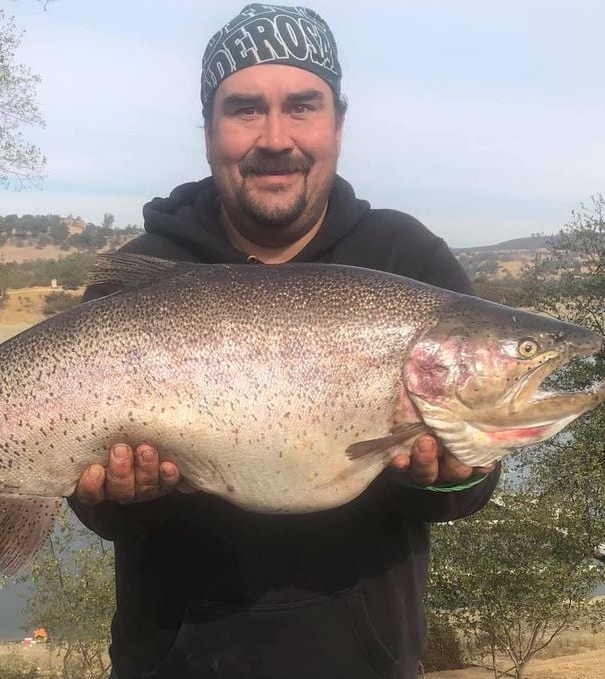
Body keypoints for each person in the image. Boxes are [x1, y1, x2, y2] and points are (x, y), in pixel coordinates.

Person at [68, 4, 499, 678]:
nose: (275, 137)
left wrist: (458, 472)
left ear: (338, 122)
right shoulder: (137, 278)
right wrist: (128, 498)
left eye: (302, 106)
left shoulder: (409, 259)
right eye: (244, 108)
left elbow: (468, 493)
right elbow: (92, 506)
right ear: (207, 128)